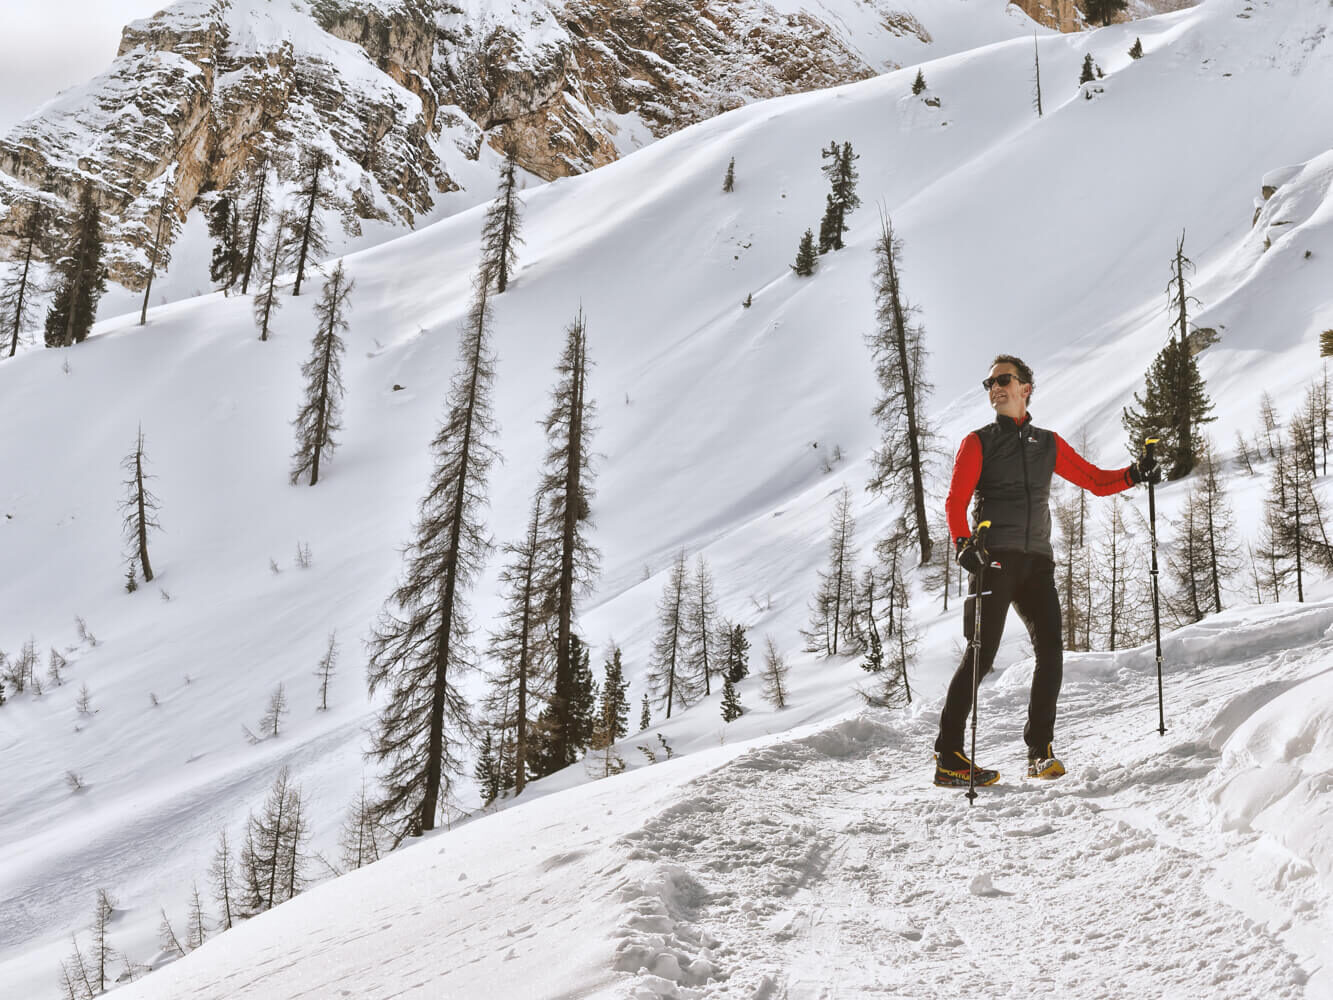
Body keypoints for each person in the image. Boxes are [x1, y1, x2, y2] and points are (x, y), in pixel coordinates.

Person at [933, 354, 1160, 788]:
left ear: (1025, 388)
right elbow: (954, 503)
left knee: (1051, 653)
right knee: (980, 656)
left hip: (1037, 561)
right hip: (992, 558)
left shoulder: (1047, 443)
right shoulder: (978, 442)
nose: (995, 388)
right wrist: (964, 545)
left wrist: (1135, 473)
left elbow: (1094, 480)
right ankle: (949, 756)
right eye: (989, 383)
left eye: (1003, 380)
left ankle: (1040, 752)